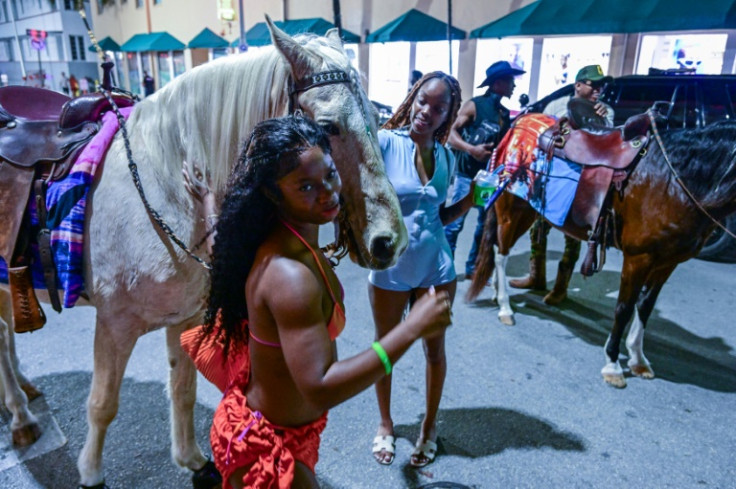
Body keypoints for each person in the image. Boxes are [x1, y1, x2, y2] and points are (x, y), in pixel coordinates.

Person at [202, 116, 452, 488]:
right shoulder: (290, 276)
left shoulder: (288, 240)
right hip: (268, 447)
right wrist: (411, 328)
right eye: (306, 186)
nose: (328, 192)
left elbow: (218, 242)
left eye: (330, 174)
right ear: (272, 193)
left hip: (290, 430)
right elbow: (320, 387)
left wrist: (207, 198)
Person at [369, 72, 474, 468]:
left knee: (434, 350)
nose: (426, 112)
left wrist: (468, 203)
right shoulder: (384, 143)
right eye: (422, 101)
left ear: (448, 115)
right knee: (385, 351)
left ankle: (429, 427)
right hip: (391, 267)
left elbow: (438, 215)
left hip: (437, 267)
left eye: (438, 107)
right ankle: (384, 424)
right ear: (412, 97)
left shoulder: (446, 156)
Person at [510, 64, 614, 305]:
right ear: (578, 85)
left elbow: (608, 143)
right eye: (593, 84)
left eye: (601, 85)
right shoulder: (556, 106)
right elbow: (542, 137)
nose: (598, 89)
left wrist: (600, 119)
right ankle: (536, 276)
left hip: (580, 181)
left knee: (574, 234)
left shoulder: (605, 110)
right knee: (538, 228)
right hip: (552, 176)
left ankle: (561, 286)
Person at [444, 60, 525, 280]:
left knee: (483, 225)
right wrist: (472, 149)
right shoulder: (475, 105)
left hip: (488, 179)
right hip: (466, 175)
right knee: (454, 224)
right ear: (497, 83)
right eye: (510, 81)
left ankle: (472, 268)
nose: (513, 86)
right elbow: (450, 134)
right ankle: (444, 267)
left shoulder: (504, 113)